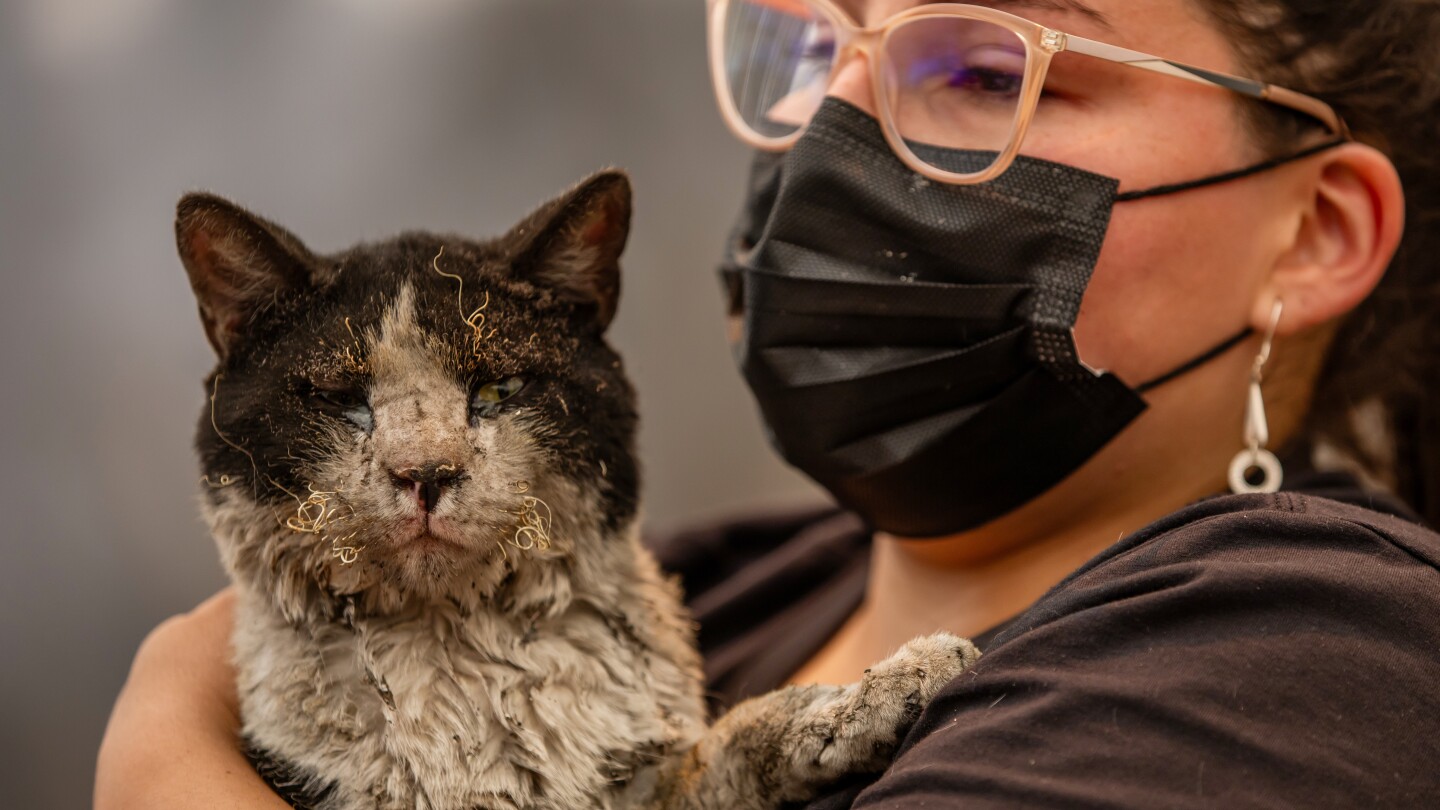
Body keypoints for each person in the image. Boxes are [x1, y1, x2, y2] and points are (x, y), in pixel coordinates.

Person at [97, 0, 1440, 807]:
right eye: (811, 43)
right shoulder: (697, 588)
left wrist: (170, 745)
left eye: (984, 67)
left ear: (1315, 232)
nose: (833, 130)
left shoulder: (1317, 663)